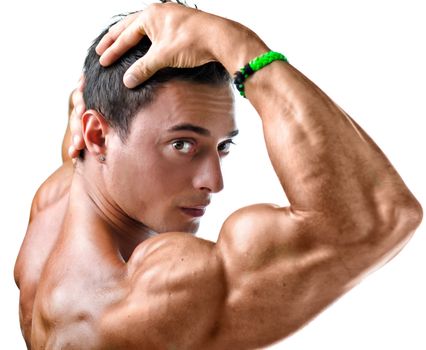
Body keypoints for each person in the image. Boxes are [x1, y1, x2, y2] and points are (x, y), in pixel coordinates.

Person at [14, 2, 422, 349]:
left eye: (223, 146)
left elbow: (83, 129)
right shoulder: (148, 297)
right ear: (96, 133)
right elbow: (380, 217)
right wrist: (234, 42)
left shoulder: (56, 201)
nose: (214, 181)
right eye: (183, 145)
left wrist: (82, 108)